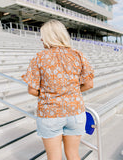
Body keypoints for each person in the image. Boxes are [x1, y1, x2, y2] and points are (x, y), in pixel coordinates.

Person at [21, 19, 94, 160]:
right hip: (75, 112)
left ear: (49, 37)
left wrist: (50, 95)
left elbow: (32, 90)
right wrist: (70, 93)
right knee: (73, 154)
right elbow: (89, 84)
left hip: (50, 114)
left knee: (54, 157)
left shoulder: (40, 57)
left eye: (43, 35)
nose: (41, 39)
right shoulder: (78, 55)